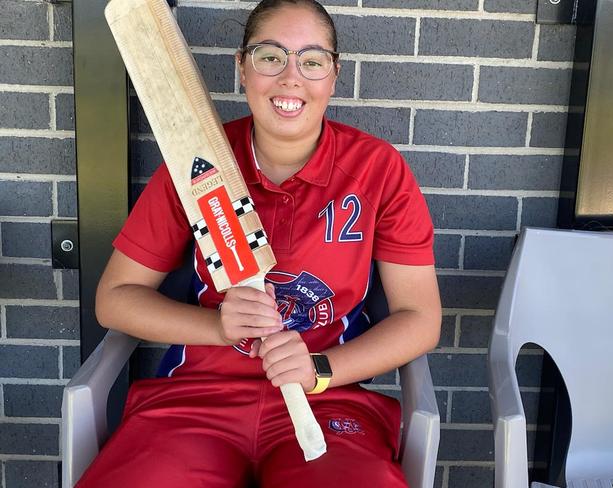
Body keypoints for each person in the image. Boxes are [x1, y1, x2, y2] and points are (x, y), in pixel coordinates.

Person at [76, 0, 442, 486]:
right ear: (241, 68)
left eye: (311, 61)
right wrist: (218, 327)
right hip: (196, 403)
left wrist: (320, 369)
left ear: (333, 76)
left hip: (326, 401)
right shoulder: (194, 166)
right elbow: (114, 300)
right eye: (270, 56)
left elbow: (420, 319)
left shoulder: (379, 170)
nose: (291, 77)